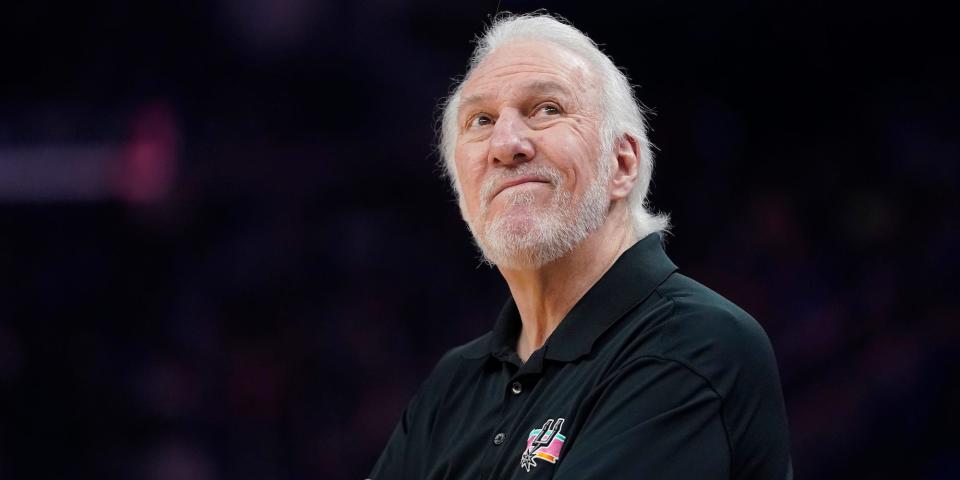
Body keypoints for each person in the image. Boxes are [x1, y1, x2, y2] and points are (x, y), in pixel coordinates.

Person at [370, 12, 792, 479]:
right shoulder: (453, 383)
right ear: (463, 193)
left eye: (546, 109)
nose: (506, 144)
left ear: (622, 163)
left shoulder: (696, 343)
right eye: (481, 120)